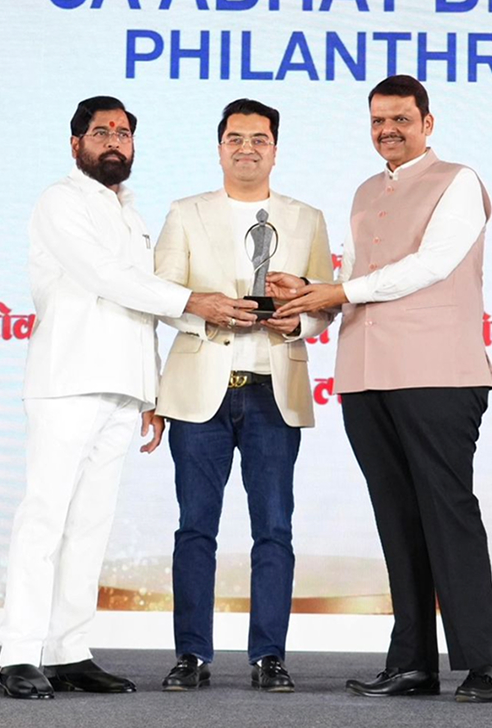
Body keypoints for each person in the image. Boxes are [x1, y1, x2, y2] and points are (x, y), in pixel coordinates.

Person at [0, 96, 258, 699]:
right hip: (68, 381)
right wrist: (196, 302)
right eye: (101, 131)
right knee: (45, 517)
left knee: (90, 525)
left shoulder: (130, 211)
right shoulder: (60, 201)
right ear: (75, 144)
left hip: (123, 387)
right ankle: (18, 652)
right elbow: (106, 279)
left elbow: (142, 303)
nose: (114, 140)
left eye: (124, 132)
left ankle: (68, 650)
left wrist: (151, 393)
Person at [272, 74, 492, 703]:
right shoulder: (365, 189)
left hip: (437, 373)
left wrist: (336, 291)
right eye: (378, 121)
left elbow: (431, 265)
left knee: (448, 514)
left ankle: (481, 664)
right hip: (365, 374)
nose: (388, 131)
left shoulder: (458, 180)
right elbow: (352, 279)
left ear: (428, 123)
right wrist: (305, 308)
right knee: (397, 521)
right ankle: (413, 664)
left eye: (401, 119)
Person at [152, 98, 335, 694]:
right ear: (220, 145)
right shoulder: (185, 212)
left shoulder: (307, 217)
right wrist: (206, 311)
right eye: (236, 137)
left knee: (274, 528)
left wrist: (297, 322)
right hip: (200, 391)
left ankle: (270, 656)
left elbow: (322, 306)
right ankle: (191, 655)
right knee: (194, 528)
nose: (247, 148)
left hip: (271, 390)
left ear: (275, 149)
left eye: (260, 138)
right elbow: (161, 296)